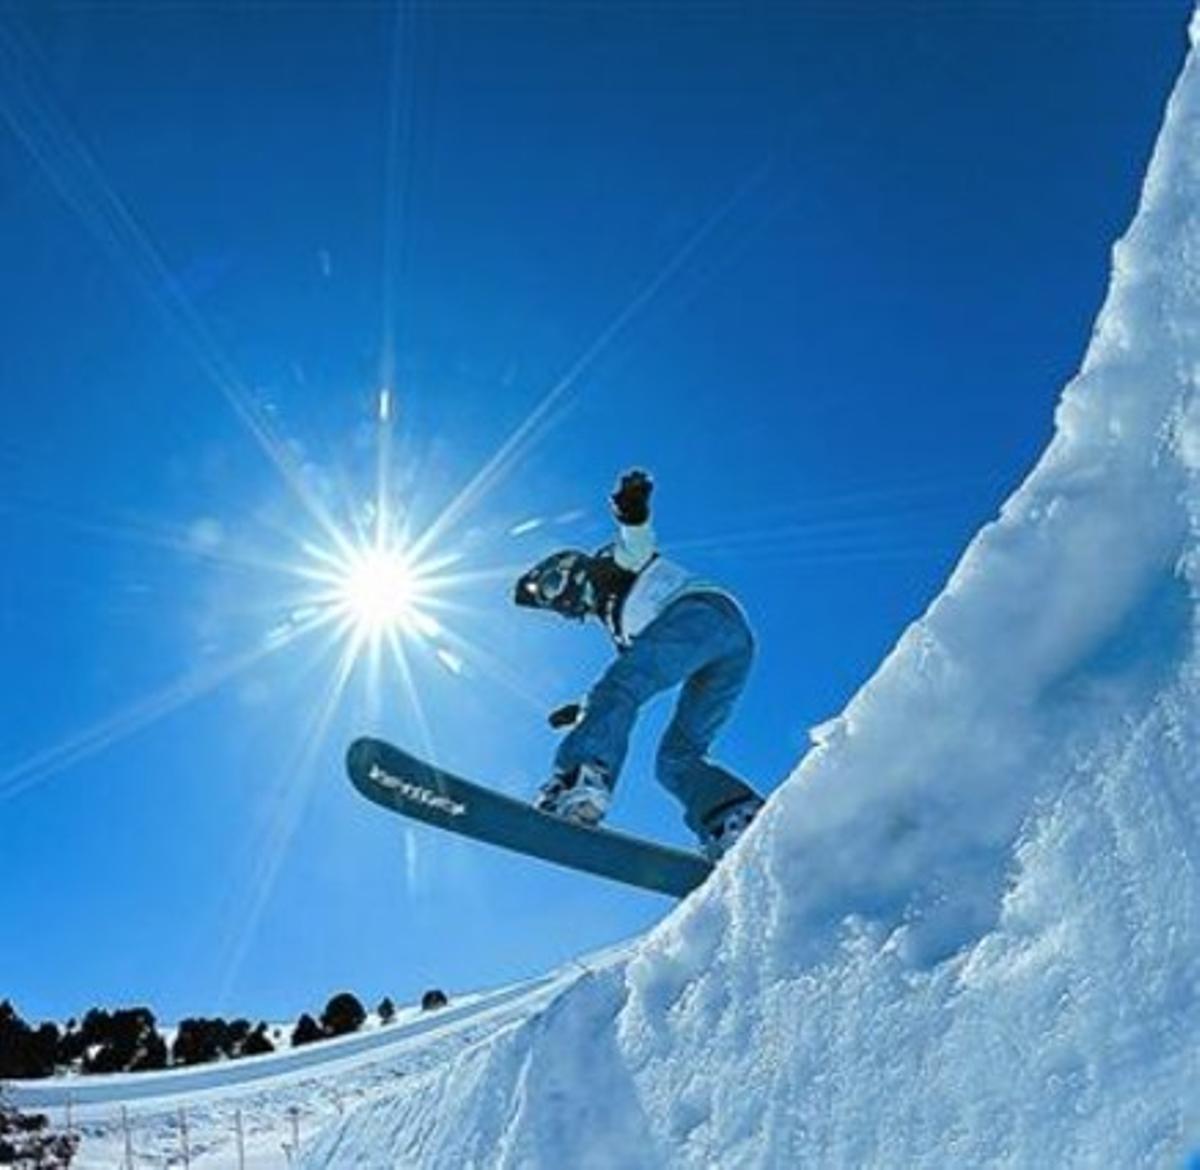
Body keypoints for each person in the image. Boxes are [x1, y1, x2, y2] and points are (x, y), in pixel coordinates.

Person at [513, 469, 763, 860]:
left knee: (618, 690)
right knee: (676, 757)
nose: (559, 605)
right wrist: (582, 709)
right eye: (549, 604)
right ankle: (734, 816)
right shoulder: (622, 628)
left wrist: (632, 511)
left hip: (697, 615)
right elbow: (631, 677)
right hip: (732, 647)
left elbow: (637, 545)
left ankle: (581, 781)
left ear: (567, 570)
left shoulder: (608, 567)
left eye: (550, 590)